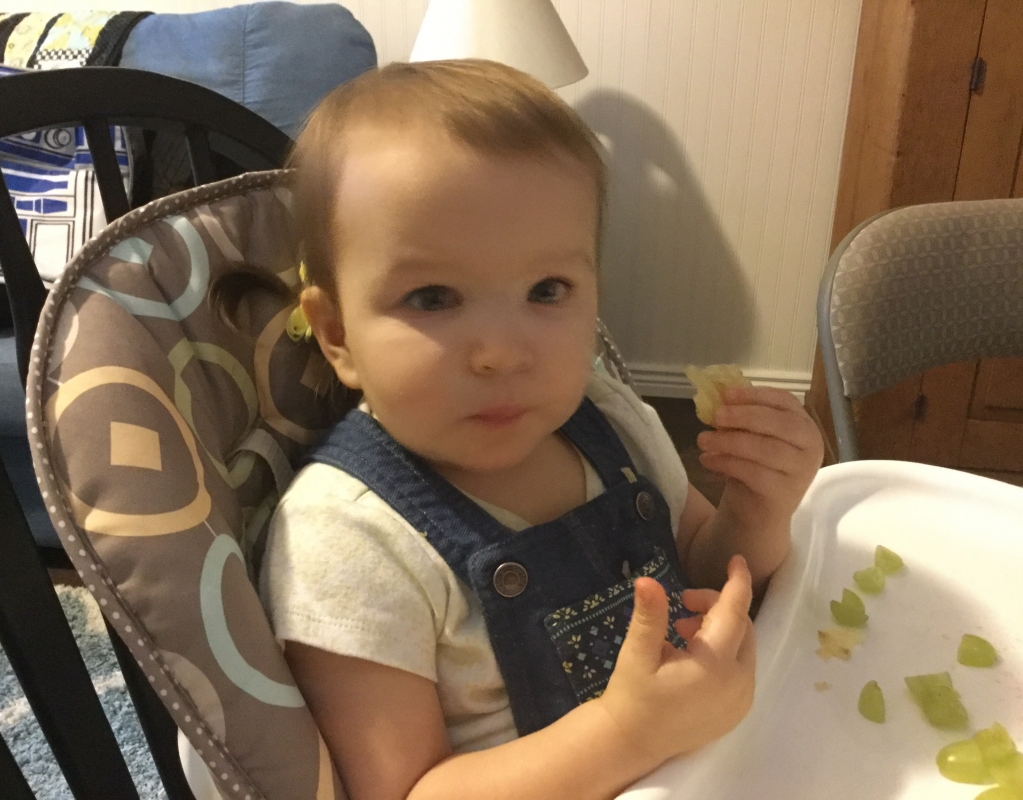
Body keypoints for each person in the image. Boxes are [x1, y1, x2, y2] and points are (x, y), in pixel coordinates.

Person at [259, 59, 824, 800]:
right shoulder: (345, 541)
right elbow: (405, 791)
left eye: (546, 290)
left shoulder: (612, 420)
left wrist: (757, 510)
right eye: (433, 297)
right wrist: (629, 734)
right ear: (337, 335)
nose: (502, 353)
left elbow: (702, 575)